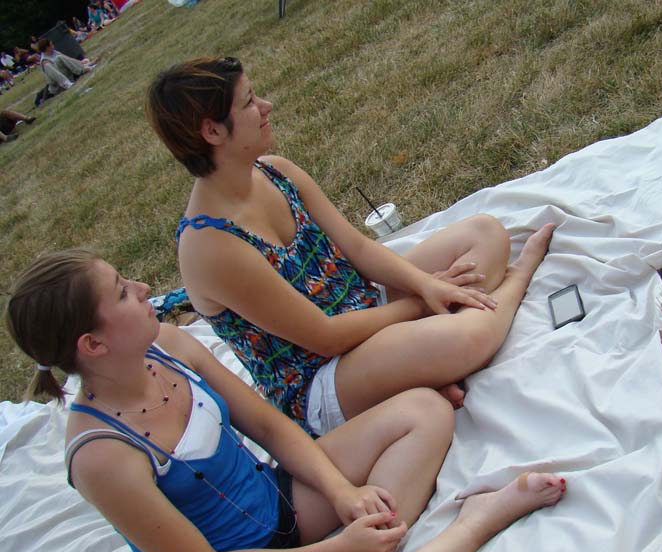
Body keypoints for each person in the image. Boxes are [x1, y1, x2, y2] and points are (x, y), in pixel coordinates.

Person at [4, 249, 566, 552]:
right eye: (123, 292)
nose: (144, 288)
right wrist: (335, 551)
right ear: (93, 345)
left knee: (424, 410)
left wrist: (341, 493)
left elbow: (270, 428)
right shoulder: (99, 454)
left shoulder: (170, 345)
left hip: (277, 502)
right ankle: (476, 524)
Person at [147, 56, 558, 437]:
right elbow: (324, 337)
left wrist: (425, 283)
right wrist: (423, 300)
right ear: (213, 131)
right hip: (323, 377)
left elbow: (358, 250)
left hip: (364, 307)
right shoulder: (211, 247)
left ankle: (421, 370)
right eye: (250, 102)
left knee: (485, 233)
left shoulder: (275, 172)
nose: (267, 106)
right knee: (465, 338)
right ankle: (514, 283)